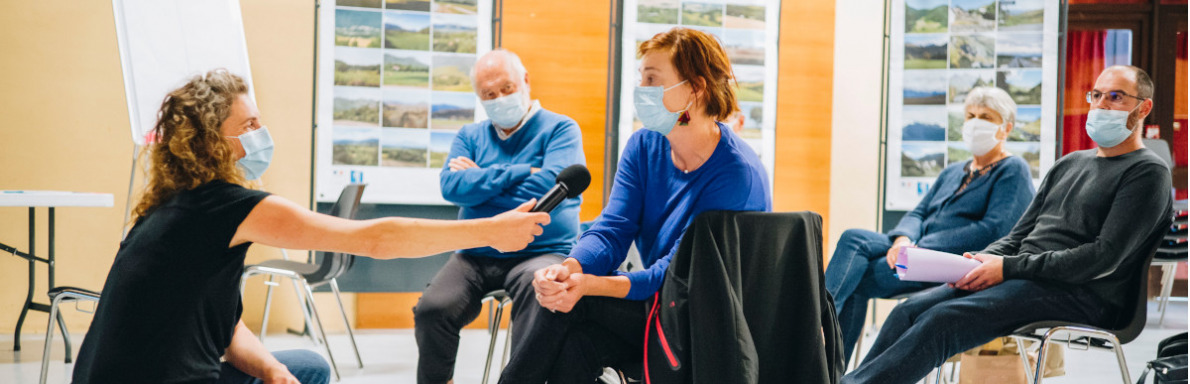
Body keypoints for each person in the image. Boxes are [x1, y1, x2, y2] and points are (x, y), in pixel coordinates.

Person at [71, 69, 551, 384]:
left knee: (302, 367)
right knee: (315, 372)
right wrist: (489, 229)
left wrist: (274, 373)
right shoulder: (226, 207)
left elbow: (222, 324)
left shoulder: (170, 209)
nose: (262, 134)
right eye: (250, 125)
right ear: (214, 142)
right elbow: (376, 239)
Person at [842, 66, 1174, 384]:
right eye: (1097, 95)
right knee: (909, 310)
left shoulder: (1147, 172)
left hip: (1084, 293)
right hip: (1026, 278)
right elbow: (1018, 235)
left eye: (1116, 97)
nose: (1102, 104)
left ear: (1143, 108)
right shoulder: (1070, 164)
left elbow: (1102, 257)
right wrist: (979, 262)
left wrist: (1007, 268)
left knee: (944, 320)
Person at [496, 27, 772, 384]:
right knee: (571, 343)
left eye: (653, 79)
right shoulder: (644, 145)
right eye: (641, 78)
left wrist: (586, 285)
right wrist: (571, 267)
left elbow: (673, 277)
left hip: (703, 321)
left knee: (576, 304)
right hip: (657, 308)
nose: (642, 90)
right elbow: (613, 228)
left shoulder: (737, 176)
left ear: (695, 89)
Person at [825, 86, 1035, 361]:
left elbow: (992, 230)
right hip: (915, 249)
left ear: (1005, 128)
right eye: (970, 115)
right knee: (854, 239)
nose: (975, 123)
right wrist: (903, 240)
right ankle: (823, 334)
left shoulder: (1012, 169)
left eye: (985, 117)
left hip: (948, 261)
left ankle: (822, 343)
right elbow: (918, 213)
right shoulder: (952, 171)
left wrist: (920, 247)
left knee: (857, 276)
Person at [416, 48, 585, 384]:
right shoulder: (470, 135)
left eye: (506, 88)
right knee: (431, 310)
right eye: (489, 94)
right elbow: (451, 187)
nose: (499, 98)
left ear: (525, 81)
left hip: (540, 250)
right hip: (475, 253)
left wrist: (480, 180)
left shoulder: (561, 129)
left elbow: (550, 191)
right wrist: (521, 171)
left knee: (542, 300)